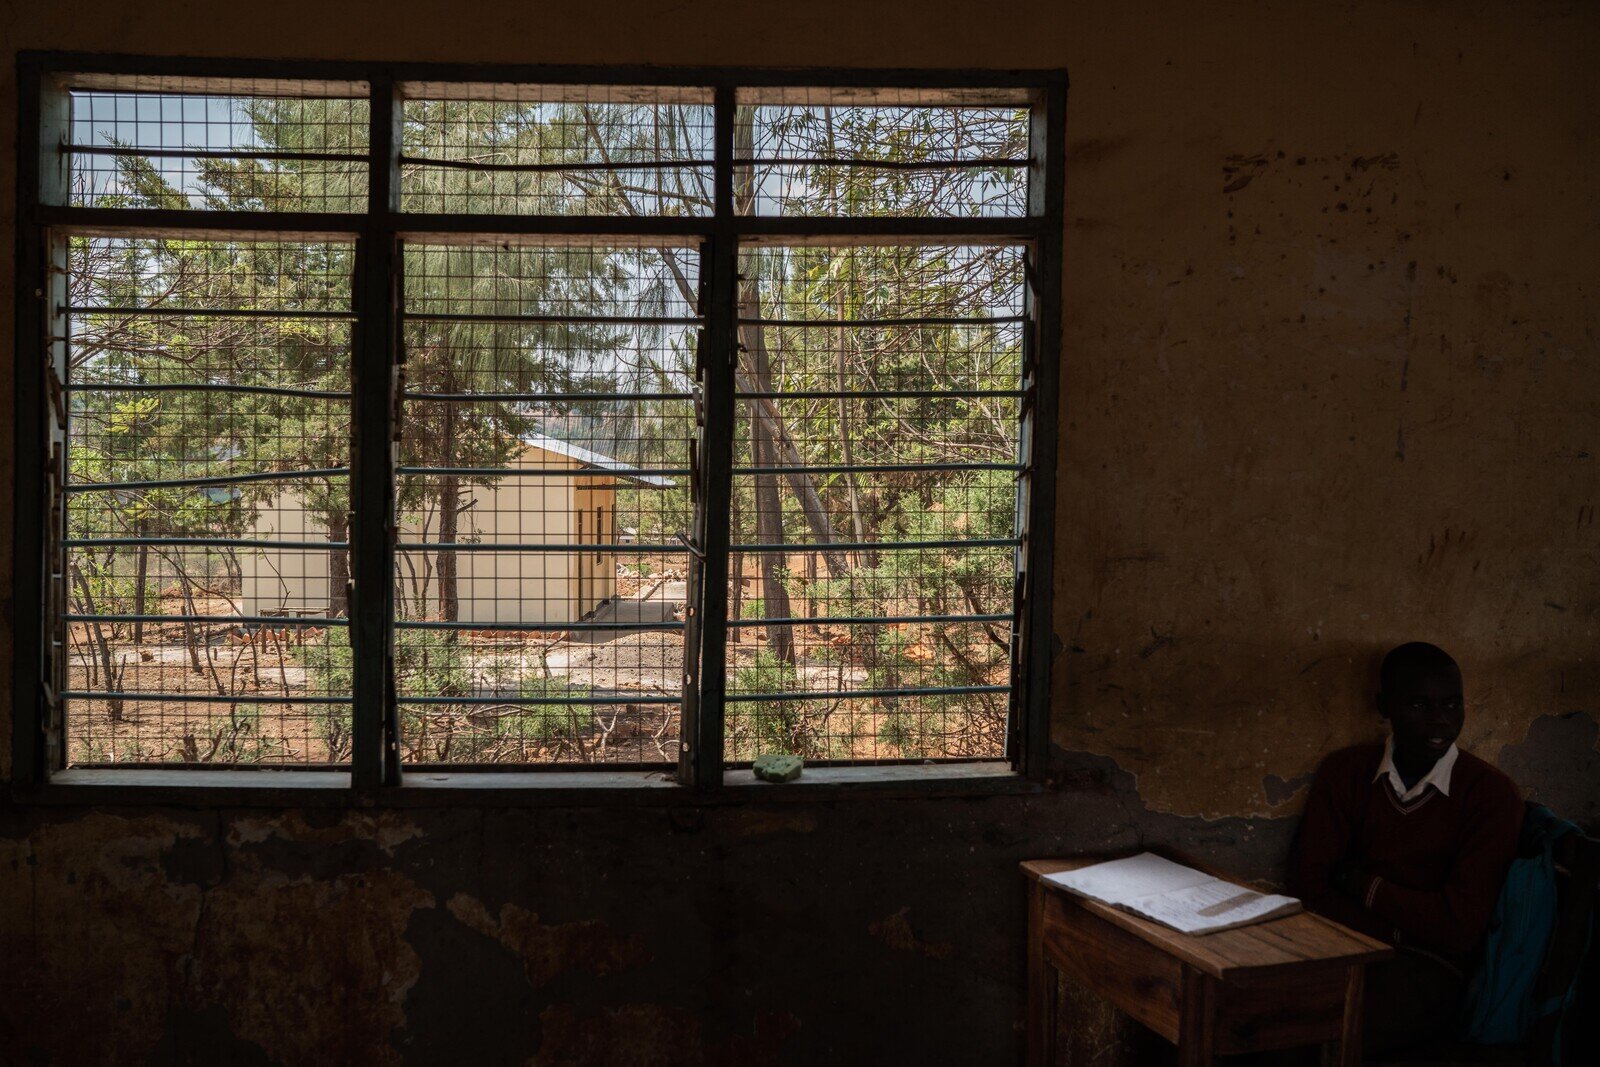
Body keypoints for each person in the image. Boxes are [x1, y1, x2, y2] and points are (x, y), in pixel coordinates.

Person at [1289, 641, 1524, 1057]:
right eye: (1419, 705)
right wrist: (1399, 924)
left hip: (1429, 970)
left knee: (1327, 1034)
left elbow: (1457, 929)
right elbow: (1309, 887)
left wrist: (1362, 885)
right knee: (1258, 1017)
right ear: (1385, 706)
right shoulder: (1345, 773)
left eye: (1453, 706)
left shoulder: (1490, 794)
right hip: (1337, 947)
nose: (1440, 721)